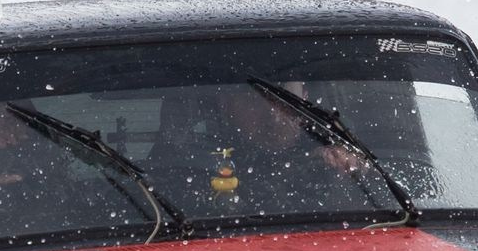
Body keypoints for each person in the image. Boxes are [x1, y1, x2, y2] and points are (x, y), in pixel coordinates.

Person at [151, 83, 374, 215]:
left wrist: (350, 171)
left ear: (304, 97)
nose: (273, 114)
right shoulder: (194, 159)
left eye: (286, 98)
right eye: (254, 99)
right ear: (226, 105)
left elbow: (388, 206)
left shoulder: (341, 146)